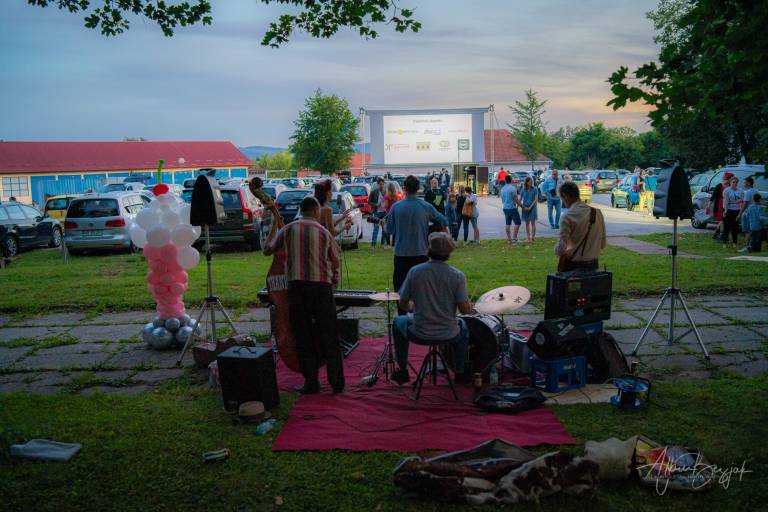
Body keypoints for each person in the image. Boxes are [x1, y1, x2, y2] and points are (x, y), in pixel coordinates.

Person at [264, 196, 344, 394]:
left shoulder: (288, 229)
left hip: (298, 288)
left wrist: (274, 223)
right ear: (316, 211)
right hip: (321, 289)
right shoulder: (324, 232)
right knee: (329, 335)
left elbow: (268, 250)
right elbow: (335, 262)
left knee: (303, 335)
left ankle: (311, 382)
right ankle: (336, 383)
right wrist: (333, 282)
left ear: (301, 210)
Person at [391, 232, 472, 385]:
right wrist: (468, 304)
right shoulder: (457, 276)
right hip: (449, 333)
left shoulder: (415, 272)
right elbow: (465, 311)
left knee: (397, 322)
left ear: (429, 249)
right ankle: (460, 371)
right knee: (464, 326)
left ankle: (402, 371)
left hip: (419, 332)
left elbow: (402, 304)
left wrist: (413, 308)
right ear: (449, 252)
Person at [384, 175, 447, 313]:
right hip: (421, 254)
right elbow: (443, 219)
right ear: (418, 188)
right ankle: (420, 317)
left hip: (401, 255)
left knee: (400, 291)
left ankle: (402, 318)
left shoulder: (396, 207)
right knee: (421, 290)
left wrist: (384, 224)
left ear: (404, 188)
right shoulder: (425, 206)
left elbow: (389, 230)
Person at [554, 181, 606, 271]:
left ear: (565, 196)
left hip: (574, 267)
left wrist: (556, 249)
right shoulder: (597, 213)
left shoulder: (567, 216)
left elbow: (561, 249)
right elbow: (602, 244)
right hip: (593, 266)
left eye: (562, 199)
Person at [709, 172, 733, 241]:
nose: (732, 180)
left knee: (724, 220)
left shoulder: (731, 186)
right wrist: (708, 205)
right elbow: (713, 197)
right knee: (722, 220)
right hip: (720, 205)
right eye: (731, 178)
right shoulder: (719, 186)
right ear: (728, 179)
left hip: (728, 204)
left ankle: (717, 234)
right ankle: (722, 235)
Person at [499, 174, 522, 243]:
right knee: (518, 222)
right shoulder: (512, 188)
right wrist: (522, 206)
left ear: (505, 180)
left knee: (508, 223)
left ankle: (509, 239)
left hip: (505, 208)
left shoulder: (502, 189)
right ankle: (514, 238)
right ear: (511, 180)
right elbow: (516, 200)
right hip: (512, 207)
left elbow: (502, 200)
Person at [722, 176, 743, 249]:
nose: (735, 183)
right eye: (733, 182)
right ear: (730, 183)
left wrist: (737, 201)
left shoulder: (740, 190)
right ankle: (724, 243)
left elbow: (742, 199)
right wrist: (725, 211)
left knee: (735, 227)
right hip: (728, 210)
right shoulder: (727, 190)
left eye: (736, 182)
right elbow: (726, 201)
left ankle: (735, 243)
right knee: (727, 227)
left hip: (737, 210)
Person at [368, 178, 387, 248]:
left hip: (384, 212)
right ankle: (373, 245)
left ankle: (382, 243)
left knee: (384, 229)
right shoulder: (373, 192)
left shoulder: (385, 192)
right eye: (380, 184)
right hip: (376, 212)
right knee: (376, 228)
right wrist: (375, 205)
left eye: (383, 184)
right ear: (377, 184)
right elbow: (369, 202)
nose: (381, 186)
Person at [520, 177, 538, 242]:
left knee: (533, 223)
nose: (531, 183)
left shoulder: (534, 189)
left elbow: (535, 199)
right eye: (530, 182)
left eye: (532, 182)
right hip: (525, 207)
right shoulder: (523, 190)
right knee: (527, 223)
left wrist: (530, 207)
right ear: (526, 182)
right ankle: (528, 237)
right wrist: (521, 206)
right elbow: (520, 199)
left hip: (532, 207)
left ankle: (533, 237)